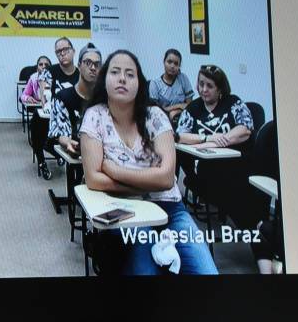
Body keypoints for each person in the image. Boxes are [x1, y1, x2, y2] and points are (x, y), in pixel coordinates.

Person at [80, 49, 218, 275]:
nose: (122, 78)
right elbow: (94, 179)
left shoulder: (155, 115)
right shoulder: (95, 116)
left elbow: (165, 179)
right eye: (115, 72)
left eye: (130, 74)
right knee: (146, 271)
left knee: (207, 272)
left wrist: (114, 170)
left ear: (140, 83)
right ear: (104, 80)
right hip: (127, 210)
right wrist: (144, 184)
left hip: (170, 207)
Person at [175, 64, 264, 232]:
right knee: (233, 189)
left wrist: (214, 143)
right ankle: (258, 231)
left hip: (238, 164)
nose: (203, 89)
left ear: (220, 88)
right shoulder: (193, 108)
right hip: (209, 169)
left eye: (209, 85)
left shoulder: (233, 102)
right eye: (201, 84)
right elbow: (180, 136)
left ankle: (258, 234)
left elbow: (245, 129)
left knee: (240, 185)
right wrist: (207, 138)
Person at [45, 43, 101, 179]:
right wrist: (67, 142)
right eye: (88, 63)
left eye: (97, 64)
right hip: (78, 152)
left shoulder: (106, 98)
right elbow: (60, 133)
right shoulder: (63, 97)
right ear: (79, 65)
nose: (93, 67)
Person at [148, 49, 194, 124]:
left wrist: (173, 109)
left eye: (176, 64)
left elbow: (190, 105)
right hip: (161, 120)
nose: (172, 66)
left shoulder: (183, 78)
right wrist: (178, 106)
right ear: (164, 62)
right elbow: (154, 110)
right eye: (169, 62)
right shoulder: (154, 84)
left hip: (182, 117)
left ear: (179, 66)